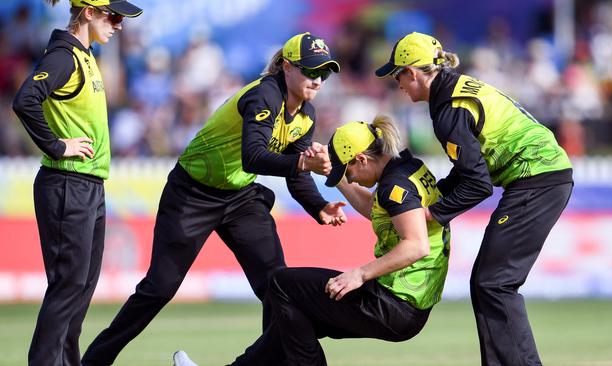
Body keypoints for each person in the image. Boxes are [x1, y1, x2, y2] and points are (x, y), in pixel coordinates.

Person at [81, 32, 347, 365]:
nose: (318, 80)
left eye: (324, 72)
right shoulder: (264, 96)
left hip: (240, 198)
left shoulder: (306, 114)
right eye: (311, 70)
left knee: (276, 286)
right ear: (287, 67)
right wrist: (305, 161)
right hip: (191, 194)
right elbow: (254, 156)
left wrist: (318, 205)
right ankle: (94, 361)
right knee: (159, 289)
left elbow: (296, 173)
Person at [173, 116, 451, 366]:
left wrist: (359, 274)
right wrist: (339, 176)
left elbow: (416, 245)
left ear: (362, 159)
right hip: (406, 304)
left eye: (349, 170)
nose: (349, 176)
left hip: (393, 303)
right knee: (293, 321)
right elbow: (375, 210)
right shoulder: (408, 167)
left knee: (282, 283)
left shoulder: (395, 185)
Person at [375, 32, 573, 366]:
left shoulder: (448, 112)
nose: (397, 84)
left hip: (537, 180)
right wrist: (436, 194)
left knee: (493, 283)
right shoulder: (456, 89)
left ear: (413, 72)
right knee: (489, 283)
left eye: (398, 75)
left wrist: (432, 213)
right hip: (541, 177)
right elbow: (470, 171)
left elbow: (478, 184)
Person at [11, 1, 142, 365]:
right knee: (68, 286)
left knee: (81, 287)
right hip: (67, 184)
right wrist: (56, 145)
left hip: (87, 186)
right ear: (88, 13)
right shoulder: (64, 55)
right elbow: (25, 101)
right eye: (112, 16)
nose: (118, 24)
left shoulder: (86, 56)